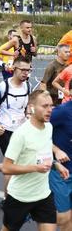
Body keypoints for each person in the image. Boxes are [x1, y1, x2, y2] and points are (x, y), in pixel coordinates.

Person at [1, 90, 69, 231]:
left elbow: (42, 151)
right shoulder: (21, 134)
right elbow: (6, 168)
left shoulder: (49, 127)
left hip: (43, 195)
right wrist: (35, 168)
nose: (50, 110)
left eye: (51, 106)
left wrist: (56, 165)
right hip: (20, 197)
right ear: (32, 107)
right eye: (44, 106)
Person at [0, 57, 31, 209]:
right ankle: (6, 199)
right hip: (4, 130)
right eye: (23, 70)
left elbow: (27, 106)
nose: (26, 73)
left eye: (28, 70)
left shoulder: (28, 86)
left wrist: (29, 115)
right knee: (12, 164)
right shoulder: (2, 88)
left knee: (18, 163)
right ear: (14, 69)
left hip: (21, 130)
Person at [49, 80, 72, 231]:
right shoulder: (62, 112)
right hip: (62, 173)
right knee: (64, 217)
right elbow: (36, 132)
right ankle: (32, 210)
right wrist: (56, 150)